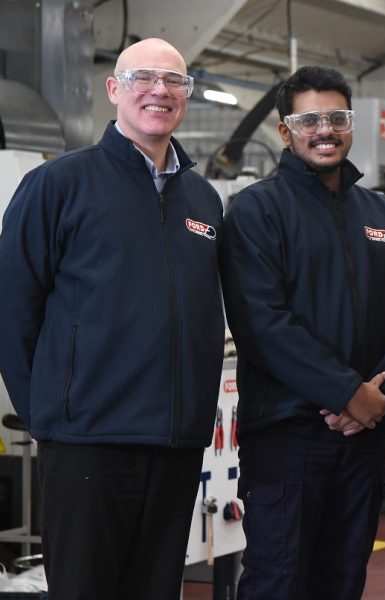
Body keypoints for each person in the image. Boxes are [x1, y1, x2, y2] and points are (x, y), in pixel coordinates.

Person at [0, 38, 224, 599]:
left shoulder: (203, 200)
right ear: (113, 90)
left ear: (186, 97)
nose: (160, 91)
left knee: (155, 588)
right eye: (143, 77)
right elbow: (11, 307)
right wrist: (50, 415)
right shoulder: (59, 184)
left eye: (174, 81)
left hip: (175, 444)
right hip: (87, 441)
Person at [220, 65, 385, 600]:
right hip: (289, 437)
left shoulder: (384, 215)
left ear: (351, 126)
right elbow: (262, 323)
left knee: (344, 578)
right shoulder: (257, 211)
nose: (324, 129)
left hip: (365, 439)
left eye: (336, 117)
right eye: (309, 119)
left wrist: (382, 396)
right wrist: (346, 393)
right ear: (285, 131)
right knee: (279, 580)